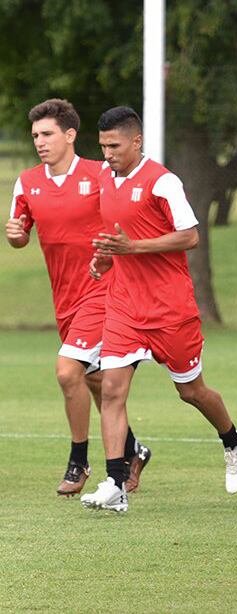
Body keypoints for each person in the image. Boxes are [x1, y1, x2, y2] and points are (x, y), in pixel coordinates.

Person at [79, 106, 237, 512]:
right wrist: (106, 258)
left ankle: (232, 439)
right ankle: (116, 482)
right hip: (124, 305)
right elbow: (119, 235)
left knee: (190, 391)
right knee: (112, 390)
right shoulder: (105, 177)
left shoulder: (162, 182)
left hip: (170, 308)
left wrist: (132, 248)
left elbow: (190, 236)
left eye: (114, 145)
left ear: (136, 142)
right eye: (102, 146)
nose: (107, 154)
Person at [6, 99, 151, 496]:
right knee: (93, 378)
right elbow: (20, 234)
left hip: (104, 289)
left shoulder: (101, 173)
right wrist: (16, 235)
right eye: (35, 135)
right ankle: (133, 450)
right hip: (65, 297)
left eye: (48, 133)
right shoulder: (27, 182)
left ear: (70, 135)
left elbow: (131, 208)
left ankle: (79, 461)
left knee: (68, 370)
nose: (40, 141)